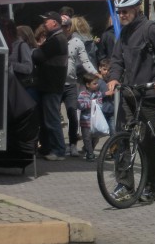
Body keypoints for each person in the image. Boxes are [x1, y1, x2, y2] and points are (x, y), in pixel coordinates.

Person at [106, 0, 155, 203]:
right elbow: (117, 60)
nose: (121, 15)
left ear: (136, 8)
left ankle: (153, 186)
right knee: (123, 138)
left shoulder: (150, 30)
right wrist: (113, 78)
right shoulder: (125, 33)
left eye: (125, 11)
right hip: (129, 93)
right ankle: (124, 185)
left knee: (147, 141)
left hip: (148, 95)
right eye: (119, 12)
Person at [31, 11, 69, 161]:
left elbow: (38, 56)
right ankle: (46, 148)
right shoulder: (55, 38)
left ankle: (59, 150)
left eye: (46, 21)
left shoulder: (57, 39)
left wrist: (34, 50)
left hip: (52, 86)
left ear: (54, 23)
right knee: (46, 118)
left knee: (52, 119)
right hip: (48, 85)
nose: (44, 24)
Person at [63, 15, 98, 156]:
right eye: (63, 26)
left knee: (72, 113)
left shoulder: (77, 41)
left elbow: (85, 61)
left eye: (67, 26)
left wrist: (97, 74)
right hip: (55, 84)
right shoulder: (55, 41)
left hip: (71, 84)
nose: (65, 28)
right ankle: (55, 145)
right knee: (53, 115)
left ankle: (72, 144)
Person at [76, 73, 104, 161]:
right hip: (86, 121)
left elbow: (100, 105)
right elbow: (80, 106)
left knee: (96, 138)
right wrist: (91, 103)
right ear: (88, 85)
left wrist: (96, 104)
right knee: (87, 138)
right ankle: (90, 153)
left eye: (97, 83)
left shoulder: (98, 94)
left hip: (95, 121)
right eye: (94, 83)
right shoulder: (82, 94)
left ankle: (88, 149)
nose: (97, 85)